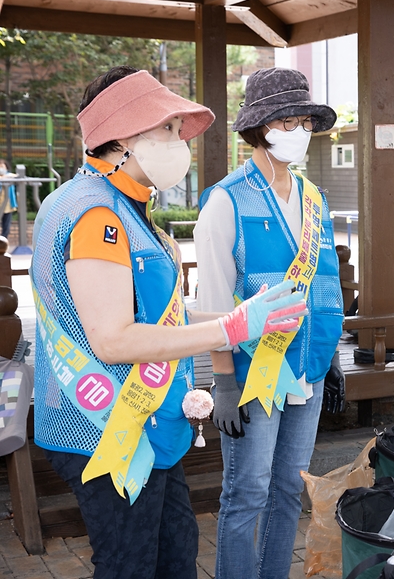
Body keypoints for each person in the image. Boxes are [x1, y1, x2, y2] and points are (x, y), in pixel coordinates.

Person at [30, 66, 307, 578]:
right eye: (167, 129)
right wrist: (231, 330)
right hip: (102, 426)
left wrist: (245, 317)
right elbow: (113, 339)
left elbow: (164, 317)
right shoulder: (97, 214)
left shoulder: (120, 206)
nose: (179, 143)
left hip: (143, 422)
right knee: (131, 565)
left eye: (179, 131)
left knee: (174, 556)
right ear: (122, 134)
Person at [194, 67, 344, 579]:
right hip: (255, 369)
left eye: (305, 121)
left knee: (287, 489)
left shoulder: (314, 198)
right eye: (288, 121)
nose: (299, 131)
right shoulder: (225, 200)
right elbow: (212, 301)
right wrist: (224, 380)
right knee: (247, 492)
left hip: (310, 367)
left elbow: (326, 282)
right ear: (260, 128)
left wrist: (334, 358)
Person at [0, 159, 17, 239]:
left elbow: (17, 176)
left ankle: (3, 241)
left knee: (6, 225)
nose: (1, 168)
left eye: (2, 166)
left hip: (7, 205)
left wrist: (4, 177)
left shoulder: (9, 176)